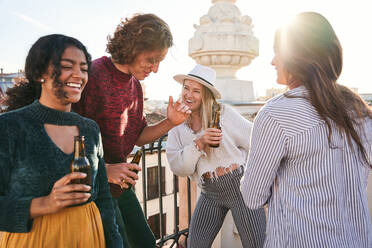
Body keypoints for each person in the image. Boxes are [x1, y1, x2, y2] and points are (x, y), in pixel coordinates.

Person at [240, 12, 372, 247]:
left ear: (296, 56)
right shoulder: (360, 112)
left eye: (277, 52)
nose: (272, 61)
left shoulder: (276, 114)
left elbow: (252, 197)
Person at [72, 13, 190, 247]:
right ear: (132, 47)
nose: (155, 69)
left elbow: (138, 137)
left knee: (145, 242)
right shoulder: (92, 75)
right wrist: (105, 170)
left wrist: (170, 123)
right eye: (151, 59)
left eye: (159, 61)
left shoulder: (135, 85)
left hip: (121, 186)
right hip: (93, 190)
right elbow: (65, 137)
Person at [0, 34, 122, 247]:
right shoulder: (10, 127)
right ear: (39, 73)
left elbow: (103, 199)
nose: (79, 75)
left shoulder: (90, 129)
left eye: (84, 68)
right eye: (67, 66)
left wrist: (115, 243)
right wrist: (44, 203)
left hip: (89, 237)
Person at [166, 64, 266, 248]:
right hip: (210, 193)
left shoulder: (224, 114)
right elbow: (180, 168)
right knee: (195, 245)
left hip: (241, 190)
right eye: (186, 88)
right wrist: (199, 142)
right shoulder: (177, 127)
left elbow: (255, 141)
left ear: (206, 95)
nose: (189, 95)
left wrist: (249, 170)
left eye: (196, 91)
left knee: (256, 245)